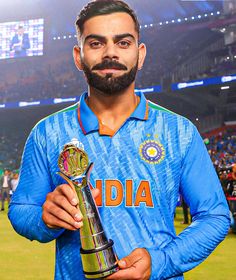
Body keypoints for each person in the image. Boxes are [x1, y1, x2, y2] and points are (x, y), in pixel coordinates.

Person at [9, 1, 230, 279]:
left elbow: (215, 217)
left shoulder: (179, 131)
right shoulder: (46, 132)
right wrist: (45, 219)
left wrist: (161, 261)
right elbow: (21, 210)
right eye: (96, 43)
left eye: (123, 43)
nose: (110, 52)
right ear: (79, 56)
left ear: (140, 54)